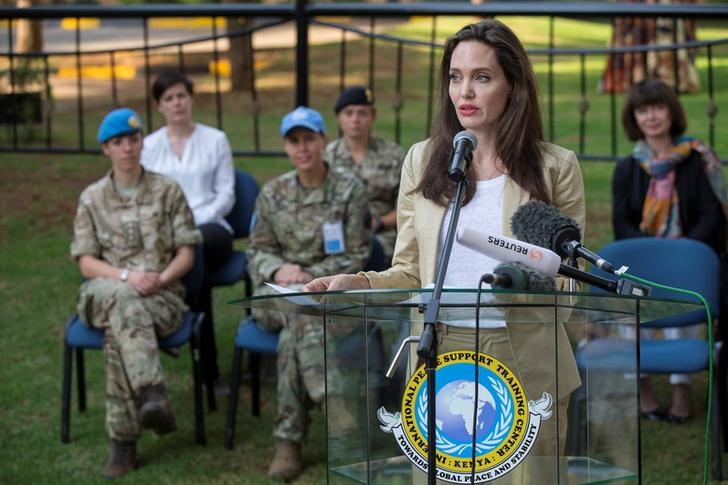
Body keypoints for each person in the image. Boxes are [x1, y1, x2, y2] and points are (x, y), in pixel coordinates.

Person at [306, 18, 586, 469]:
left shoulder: (554, 167)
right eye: (456, 77)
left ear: (513, 86)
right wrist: (356, 282)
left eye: (482, 77)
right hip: (441, 355)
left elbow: (569, 286)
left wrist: (515, 284)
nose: (465, 93)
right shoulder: (423, 160)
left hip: (523, 357)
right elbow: (411, 271)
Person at [71, 108, 201, 478]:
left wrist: (158, 279)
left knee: (119, 334)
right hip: (105, 289)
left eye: (133, 139)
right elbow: (86, 263)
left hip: (162, 295)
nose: (127, 147)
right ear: (105, 149)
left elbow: (187, 254)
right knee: (124, 299)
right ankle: (152, 394)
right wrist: (128, 276)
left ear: (142, 141)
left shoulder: (167, 190)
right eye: (118, 142)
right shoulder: (92, 198)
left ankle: (123, 444)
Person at [246, 106, 371, 481]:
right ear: (286, 147)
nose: (302, 148)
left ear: (323, 141)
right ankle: (335, 406)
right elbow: (257, 249)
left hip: (330, 292)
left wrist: (311, 277)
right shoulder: (273, 193)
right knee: (297, 310)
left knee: (296, 327)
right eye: (293, 141)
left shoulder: (349, 190)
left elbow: (358, 253)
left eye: (309, 139)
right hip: (278, 292)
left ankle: (288, 442)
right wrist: (278, 270)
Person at [613, 78, 727, 423]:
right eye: (642, 110)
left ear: (670, 111)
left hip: (689, 254)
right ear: (634, 117)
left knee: (685, 295)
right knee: (625, 304)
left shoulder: (696, 160)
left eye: (657, 107)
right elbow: (622, 221)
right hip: (642, 260)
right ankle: (643, 387)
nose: (651, 117)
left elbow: (712, 213)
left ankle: (681, 387)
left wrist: (681, 252)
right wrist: (650, 253)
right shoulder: (628, 168)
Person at [141, 71, 235, 392]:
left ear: (191, 98)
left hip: (212, 229)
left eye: (181, 95)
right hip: (168, 236)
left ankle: (176, 321)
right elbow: (147, 198)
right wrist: (175, 230)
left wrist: (189, 224)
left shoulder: (215, 139)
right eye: (168, 98)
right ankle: (208, 372)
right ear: (159, 106)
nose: (177, 103)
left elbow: (226, 195)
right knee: (197, 270)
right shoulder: (148, 146)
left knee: (196, 246)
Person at [325, 86, 406, 266]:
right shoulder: (327, 157)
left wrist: (380, 221)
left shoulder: (394, 155)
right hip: (338, 234)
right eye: (349, 113)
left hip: (382, 234)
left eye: (362, 113)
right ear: (338, 118)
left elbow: (409, 205)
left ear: (373, 116)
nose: (355, 119)